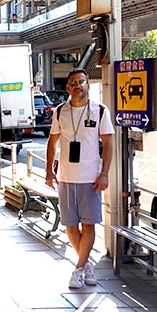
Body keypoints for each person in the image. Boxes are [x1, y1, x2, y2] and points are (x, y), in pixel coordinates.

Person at [45, 68, 114, 289]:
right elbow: (52, 142)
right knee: (71, 226)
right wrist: (49, 170)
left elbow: (108, 143)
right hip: (65, 177)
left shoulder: (100, 111)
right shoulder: (60, 112)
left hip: (90, 178)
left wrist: (104, 173)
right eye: (73, 82)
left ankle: (78, 268)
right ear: (68, 87)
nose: (77, 85)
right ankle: (86, 264)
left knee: (89, 224)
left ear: (88, 85)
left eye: (81, 82)